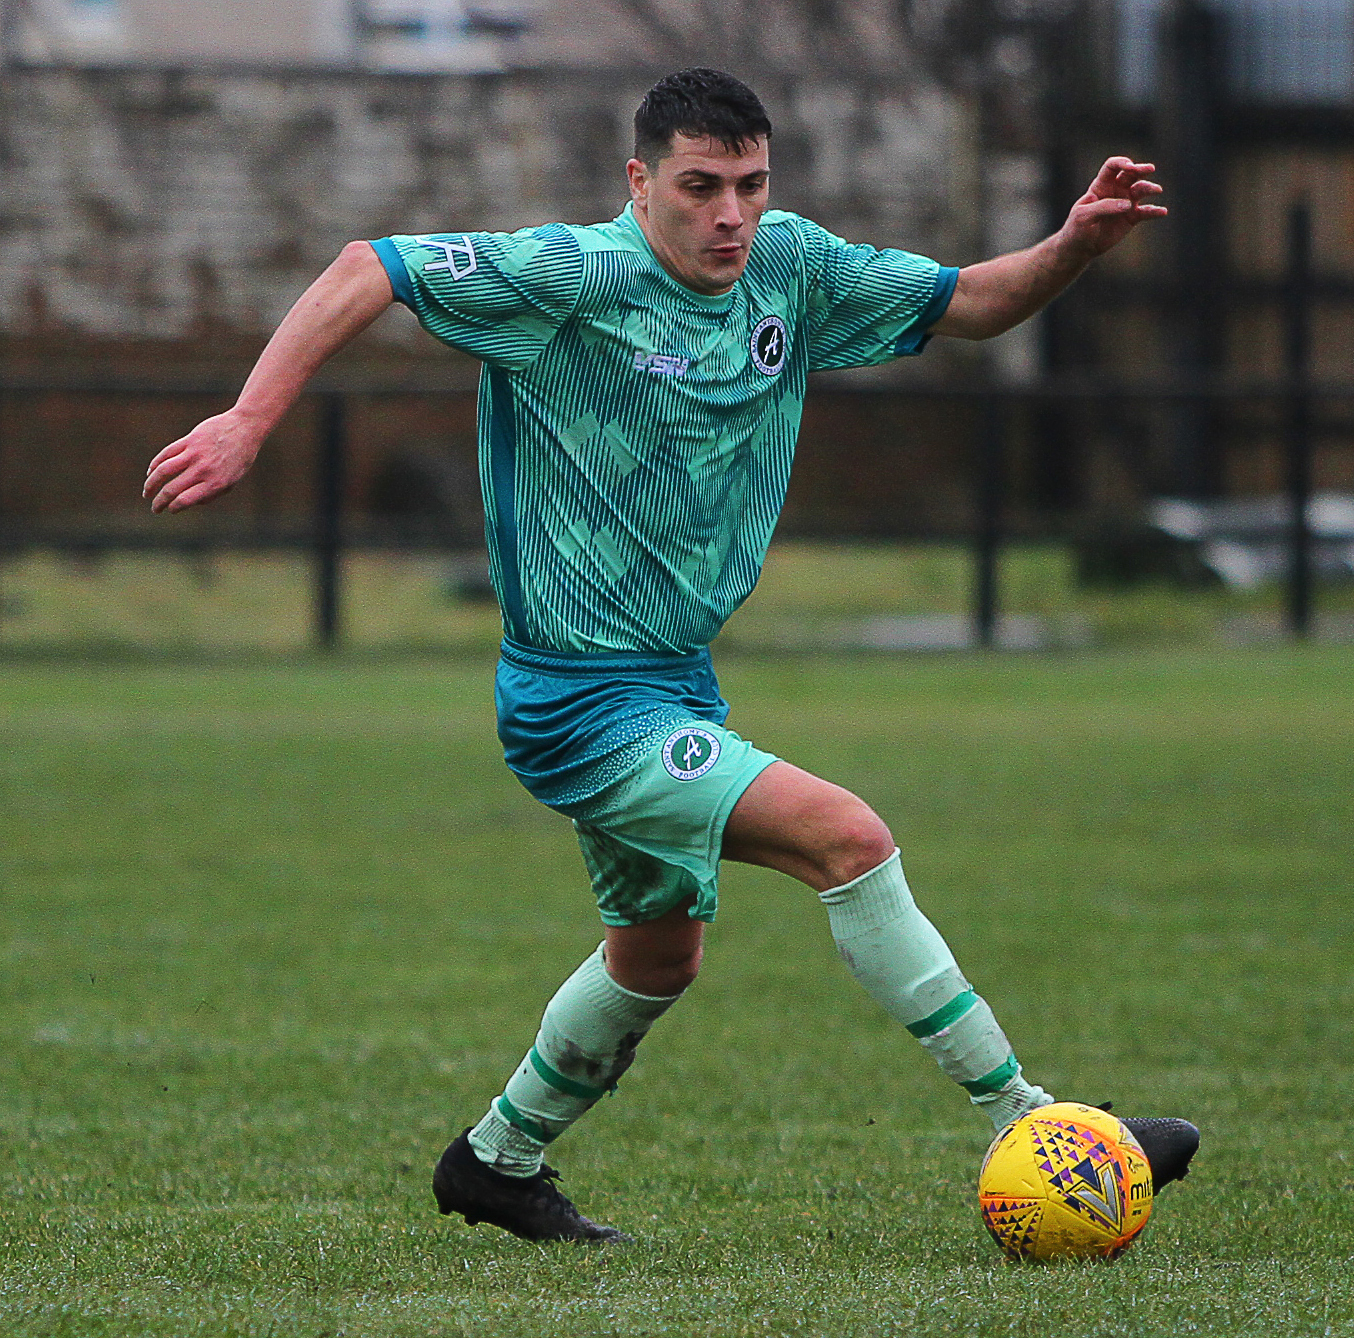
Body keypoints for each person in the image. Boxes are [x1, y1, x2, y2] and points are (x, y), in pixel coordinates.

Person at [144, 68, 1198, 1244]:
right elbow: (365, 268)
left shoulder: (792, 270)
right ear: (639, 183)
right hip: (575, 703)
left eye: (750, 185)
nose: (729, 215)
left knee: (656, 956)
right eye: (700, 187)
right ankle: (1038, 1122)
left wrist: (1071, 246)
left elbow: (972, 302)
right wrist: (247, 421)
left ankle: (494, 1162)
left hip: (675, 683)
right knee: (846, 838)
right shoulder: (570, 277)